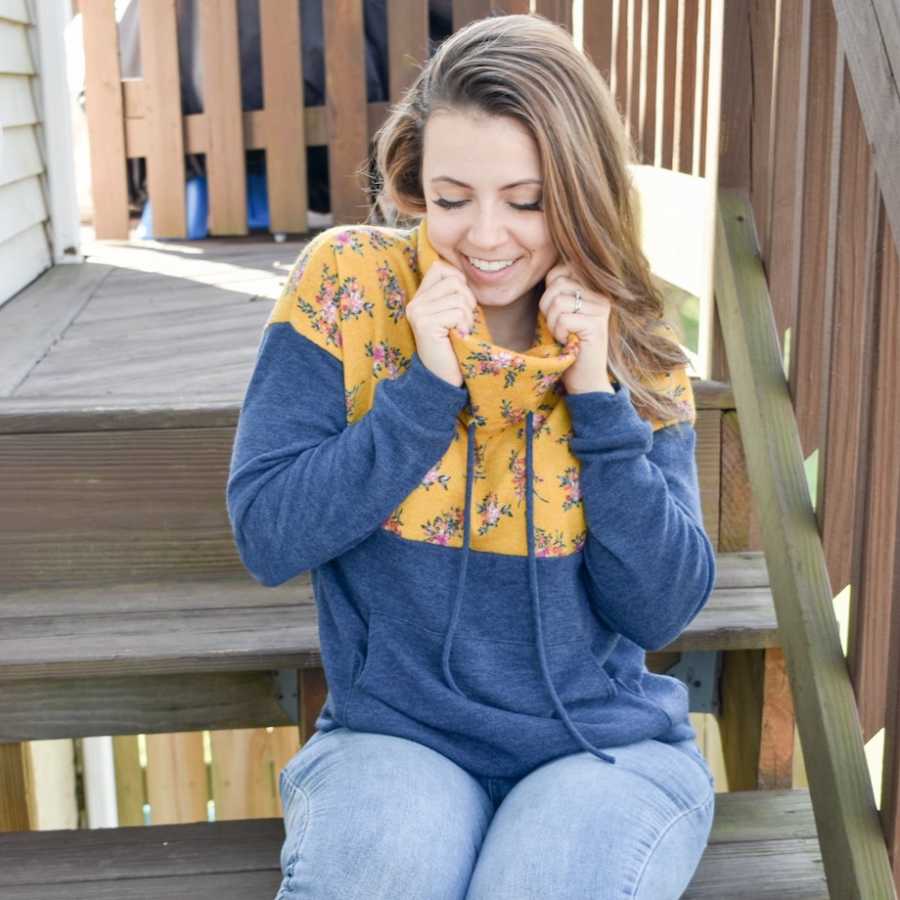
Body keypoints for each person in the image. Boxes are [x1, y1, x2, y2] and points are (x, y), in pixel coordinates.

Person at [227, 13, 717, 899]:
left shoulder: (633, 338)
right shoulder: (347, 285)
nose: (485, 237)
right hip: (396, 739)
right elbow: (267, 533)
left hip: (603, 752)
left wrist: (599, 399)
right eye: (453, 199)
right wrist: (423, 390)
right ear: (415, 181)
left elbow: (662, 610)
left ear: (580, 189)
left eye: (526, 201)